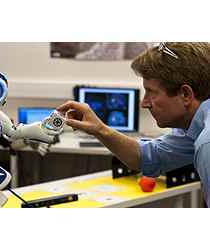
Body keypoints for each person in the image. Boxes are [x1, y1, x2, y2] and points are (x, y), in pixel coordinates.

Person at [57, 42, 210, 207]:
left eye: (151, 91)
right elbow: (150, 157)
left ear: (185, 94)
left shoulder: (207, 143)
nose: (144, 103)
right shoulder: (193, 127)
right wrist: (99, 130)